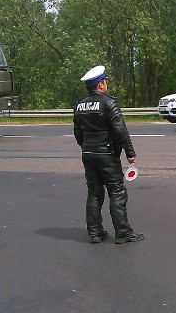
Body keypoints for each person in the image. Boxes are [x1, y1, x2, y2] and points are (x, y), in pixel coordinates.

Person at [73, 65, 143, 244]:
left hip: (88, 153)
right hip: (107, 154)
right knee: (117, 191)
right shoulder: (109, 103)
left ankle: (95, 233)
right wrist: (130, 152)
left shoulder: (79, 105)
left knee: (94, 193)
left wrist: (87, 147)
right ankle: (123, 232)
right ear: (101, 84)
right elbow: (120, 130)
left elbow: (77, 132)